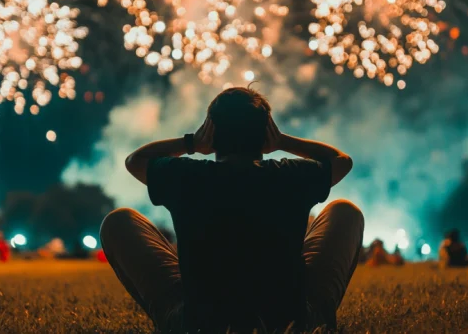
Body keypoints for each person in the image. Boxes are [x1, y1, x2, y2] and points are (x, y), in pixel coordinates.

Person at [99, 87, 361, 333]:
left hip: (199, 324)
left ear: (211, 134)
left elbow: (135, 161)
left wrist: (191, 143)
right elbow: (341, 161)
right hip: (289, 322)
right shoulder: (291, 175)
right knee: (345, 211)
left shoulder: (187, 176)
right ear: (265, 134)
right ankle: (320, 319)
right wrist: (282, 141)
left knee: (118, 221)